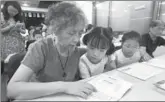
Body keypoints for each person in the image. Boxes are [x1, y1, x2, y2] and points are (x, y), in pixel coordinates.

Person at [7, 2, 96, 100]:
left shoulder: (76, 51)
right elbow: (12, 90)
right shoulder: (41, 48)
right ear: (56, 30)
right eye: (71, 33)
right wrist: (63, 86)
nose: (76, 39)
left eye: (80, 33)